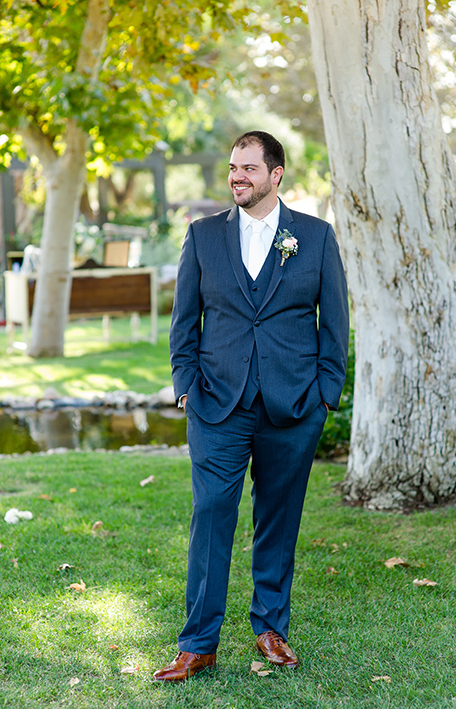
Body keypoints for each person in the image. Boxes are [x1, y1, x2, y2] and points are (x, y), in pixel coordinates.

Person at [153, 131, 349, 682]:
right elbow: (183, 321)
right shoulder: (203, 236)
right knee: (211, 514)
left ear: (276, 174)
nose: (237, 176)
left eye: (248, 169)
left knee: (278, 519)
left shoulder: (314, 237)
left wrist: (324, 395)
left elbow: (334, 324)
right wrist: (185, 383)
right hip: (217, 402)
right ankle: (198, 643)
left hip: (294, 405)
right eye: (233, 168)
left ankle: (270, 627)